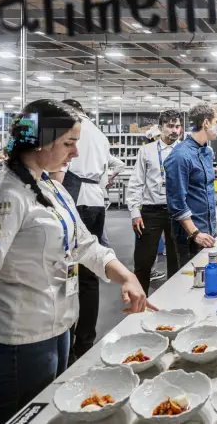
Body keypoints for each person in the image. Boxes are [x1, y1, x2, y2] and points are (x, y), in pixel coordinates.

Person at [0, 100, 153, 424]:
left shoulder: (52, 189)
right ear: (42, 141)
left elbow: (85, 244)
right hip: (17, 343)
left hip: (58, 332)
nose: (76, 153)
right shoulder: (4, 195)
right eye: (69, 143)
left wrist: (126, 275)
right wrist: (9, 310)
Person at [59, 99, 124, 359]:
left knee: (66, 272)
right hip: (96, 200)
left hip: (75, 199)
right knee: (89, 275)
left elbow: (62, 168)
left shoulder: (71, 128)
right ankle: (85, 340)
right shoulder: (99, 133)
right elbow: (109, 166)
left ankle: (65, 340)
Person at [127, 110, 183, 294]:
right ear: (160, 127)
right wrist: (135, 212)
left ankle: (174, 301)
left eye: (177, 126)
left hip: (178, 211)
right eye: (170, 126)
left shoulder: (184, 151)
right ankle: (139, 301)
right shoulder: (147, 151)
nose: (174, 130)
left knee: (177, 261)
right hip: (151, 210)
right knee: (143, 261)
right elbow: (136, 182)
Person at [165, 102, 217, 269]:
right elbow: (177, 202)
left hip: (208, 230)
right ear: (206, 123)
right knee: (191, 279)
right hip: (191, 236)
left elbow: (203, 183)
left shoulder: (207, 151)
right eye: (216, 122)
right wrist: (195, 233)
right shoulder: (180, 156)